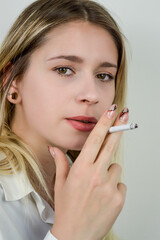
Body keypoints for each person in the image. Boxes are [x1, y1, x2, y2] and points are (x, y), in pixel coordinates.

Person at [0, 0, 128, 239]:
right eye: (64, 70)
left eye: (104, 75)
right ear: (12, 81)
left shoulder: (92, 188)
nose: (91, 95)